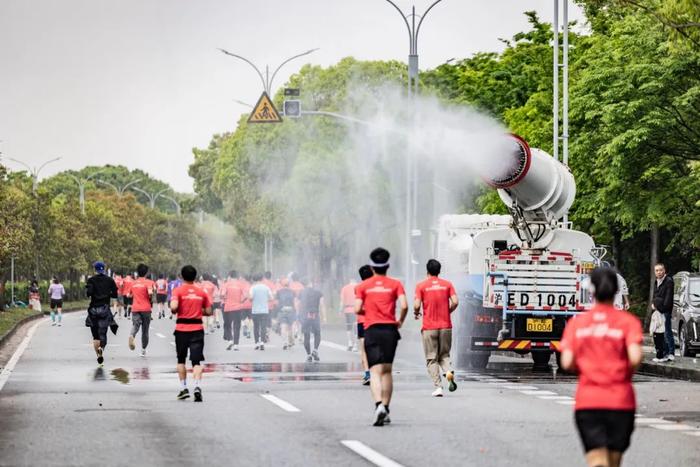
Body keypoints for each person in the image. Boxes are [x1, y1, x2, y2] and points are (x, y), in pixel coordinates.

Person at [560, 267, 643, 467]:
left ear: (592, 291)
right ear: (616, 291)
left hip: (588, 402)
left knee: (597, 461)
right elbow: (635, 357)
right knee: (614, 462)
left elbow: (566, 362)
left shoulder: (578, 324)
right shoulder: (628, 322)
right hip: (621, 402)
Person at [354, 247, 408, 427]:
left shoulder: (363, 286)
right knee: (387, 370)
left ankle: (378, 406)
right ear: (388, 266)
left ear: (372, 266)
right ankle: (386, 406)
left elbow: (356, 309)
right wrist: (399, 320)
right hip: (390, 331)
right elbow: (405, 305)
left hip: (372, 329)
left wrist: (369, 311)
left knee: (375, 371)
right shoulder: (395, 284)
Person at [414, 259, 459, 397]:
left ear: (427, 270)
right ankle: (449, 372)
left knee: (431, 358)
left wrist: (417, 313)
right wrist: (448, 311)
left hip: (429, 328)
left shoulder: (421, 286)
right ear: (439, 271)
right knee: (444, 355)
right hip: (446, 326)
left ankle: (438, 387)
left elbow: (416, 305)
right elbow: (455, 301)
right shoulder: (447, 285)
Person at [170, 265, 212, 402]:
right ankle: (198, 386)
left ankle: (183, 388)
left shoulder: (178, 291)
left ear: (182, 276)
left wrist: (175, 309)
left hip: (182, 329)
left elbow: (174, 307)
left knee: (181, 360)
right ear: (195, 276)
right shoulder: (201, 292)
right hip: (197, 329)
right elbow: (209, 311)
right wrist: (199, 311)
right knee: (196, 361)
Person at [85, 261, 119, 366]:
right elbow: (115, 295)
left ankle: (98, 355)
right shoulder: (110, 280)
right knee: (103, 334)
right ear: (104, 269)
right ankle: (101, 349)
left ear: (95, 269)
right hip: (105, 309)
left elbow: (88, 294)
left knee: (95, 336)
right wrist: (107, 293)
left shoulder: (91, 280)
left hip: (93, 310)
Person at [128, 264, 155, 357]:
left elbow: (129, 295)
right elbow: (150, 292)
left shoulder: (133, 283)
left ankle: (132, 335)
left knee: (135, 325)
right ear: (146, 273)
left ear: (137, 272)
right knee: (145, 330)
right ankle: (143, 350)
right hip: (146, 309)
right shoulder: (149, 282)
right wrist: (150, 298)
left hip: (135, 308)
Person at [299, 279, 326, 362]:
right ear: (311, 283)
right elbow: (322, 305)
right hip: (315, 314)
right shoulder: (318, 292)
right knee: (317, 333)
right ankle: (315, 350)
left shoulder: (301, 293)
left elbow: (298, 304)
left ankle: (308, 355)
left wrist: (299, 316)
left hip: (305, 315)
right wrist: (324, 317)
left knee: (306, 335)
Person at [652, 263, 674, 361]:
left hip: (665, 310)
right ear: (655, 272)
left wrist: (661, 308)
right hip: (658, 310)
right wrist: (653, 304)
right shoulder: (656, 281)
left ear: (664, 270)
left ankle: (671, 353)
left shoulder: (668, 281)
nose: (659, 272)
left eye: (660, 270)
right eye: (656, 270)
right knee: (659, 333)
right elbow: (655, 295)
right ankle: (663, 353)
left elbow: (668, 298)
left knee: (667, 332)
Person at [357, 265, 374, 385]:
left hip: (362, 321)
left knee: (364, 350)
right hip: (376, 321)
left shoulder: (358, 288)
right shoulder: (377, 287)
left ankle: (368, 374)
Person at [221, 270, 245, 351]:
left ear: (230, 276)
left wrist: (226, 298)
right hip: (238, 307)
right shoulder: (240, 284)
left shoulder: (226, 284)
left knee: (227, 325)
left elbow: (222, 294)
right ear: (237, 276)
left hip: (228, 307)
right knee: (237, 326)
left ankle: (230, 340)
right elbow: (246, 296)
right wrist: (241, 301)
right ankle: (236, 345)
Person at [249, 274, 273, 350]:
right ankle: (262, 342)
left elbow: (251, 298)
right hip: (264, 310)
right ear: (262, 279)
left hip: (255, 310)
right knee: (263, 327)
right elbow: (271, 298)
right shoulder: (266, 288)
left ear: (254, 280)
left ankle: (256, 343)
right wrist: (265, 300)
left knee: (256, 327)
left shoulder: (252, 288)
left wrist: (253, 300)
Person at [276, 278, 296, 350]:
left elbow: (277, 303)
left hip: (282, 310)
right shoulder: (293, 292)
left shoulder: (279, 292)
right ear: (289, 284)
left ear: (282, 284)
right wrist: (295, 310)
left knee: (283, 327)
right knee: (290, 327)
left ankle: (285, 342)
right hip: (291, 310)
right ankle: (291, 340)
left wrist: (277, 311)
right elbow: (295, 302)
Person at [340, 278, 358, 351]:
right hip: (357, 310)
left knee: (349, 327)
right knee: (356, 327)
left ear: (350, 281)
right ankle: (355, 345)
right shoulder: (359, 287)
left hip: (348, 310)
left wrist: (340, 310)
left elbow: (342, 301)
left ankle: (350, 343)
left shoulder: (345, 288)